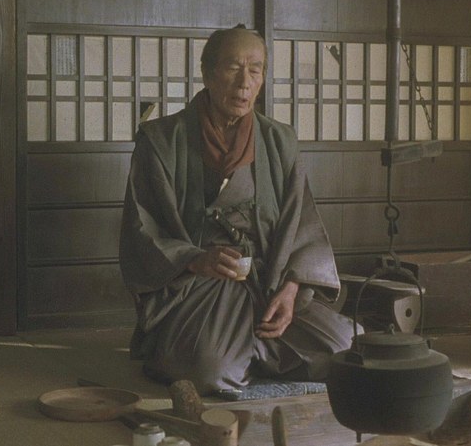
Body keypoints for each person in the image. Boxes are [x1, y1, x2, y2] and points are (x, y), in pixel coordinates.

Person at [119, 27, 357, 396]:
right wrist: (195, 259)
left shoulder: (279, 140)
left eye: (255, 70)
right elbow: (142, 230)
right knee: (210, 372)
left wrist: (291, 289)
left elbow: (302, 222)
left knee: (348, 348)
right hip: (198, 284)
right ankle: (233, 352)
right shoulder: (162, 140)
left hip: (267, 279)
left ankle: (244, 349)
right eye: (233, 68)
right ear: (208, 73)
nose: (244, 82)